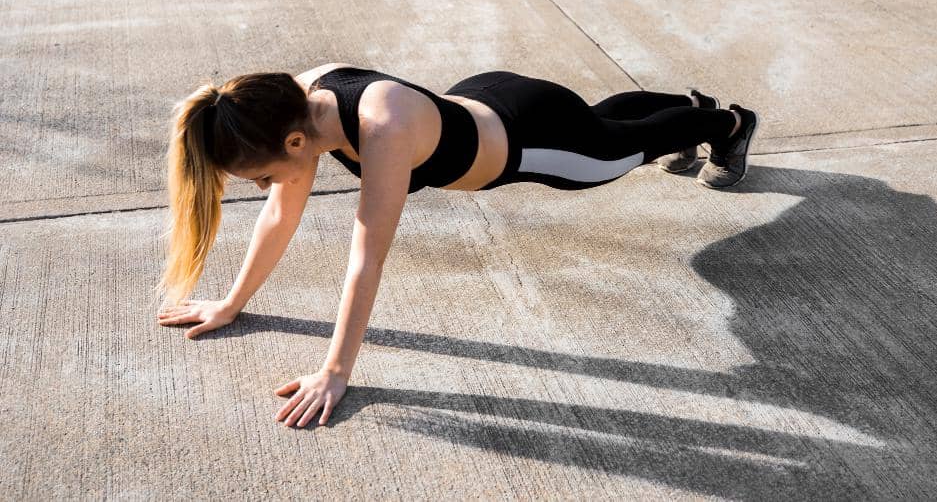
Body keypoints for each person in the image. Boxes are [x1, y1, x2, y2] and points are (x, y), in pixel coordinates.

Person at [155, 62, 760, 428]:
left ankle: (727, 124)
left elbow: (367, 258)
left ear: (291, 143)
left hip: (531, 141)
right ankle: (688, 108)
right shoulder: (296, 99)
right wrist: (230, 304)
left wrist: (335, 372)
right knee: (604, 124)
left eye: (260, 174)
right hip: (495, 94)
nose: (266, 188)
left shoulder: (381, 130)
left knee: (612, 154)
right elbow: (279, 217)